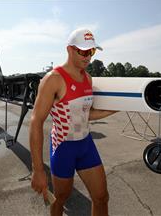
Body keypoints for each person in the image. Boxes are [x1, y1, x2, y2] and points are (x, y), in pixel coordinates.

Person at [29, 28, 117, 216]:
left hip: (86, 145)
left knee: (101, 197)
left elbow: (85, 114)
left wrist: (118, 108)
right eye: (83, 51)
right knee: (61, 199)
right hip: (63, 148)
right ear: (69, 49)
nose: (88, 57)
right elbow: (36, 121)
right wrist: (37, 170)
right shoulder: (53, 79)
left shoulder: (88, 78)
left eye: (91, 51)